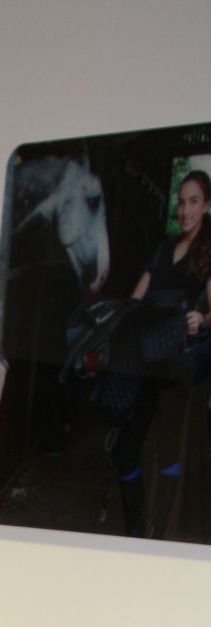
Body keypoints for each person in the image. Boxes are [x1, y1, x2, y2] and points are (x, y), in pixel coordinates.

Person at [101, 169, 211, 536]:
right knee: (126, 449)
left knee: (168, 454)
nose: (186, 210)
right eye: (181, 203)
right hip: (143, 361)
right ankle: (136, 528)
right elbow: (136, 298)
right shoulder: (165, 248)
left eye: (194, 202)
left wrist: (202, 319)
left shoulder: (208, 253)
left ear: (207, 205)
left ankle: (162, 532)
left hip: (176, 367)